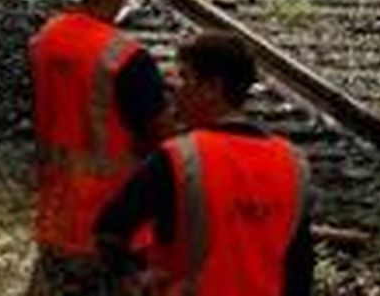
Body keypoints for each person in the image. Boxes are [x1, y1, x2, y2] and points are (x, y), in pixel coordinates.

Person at [96, 31, 314, 295]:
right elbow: (299, 269)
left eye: (185, 78)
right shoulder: (293, 164)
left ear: (213, 88)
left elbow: (109, 231)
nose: (176, 90)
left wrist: (134, 278)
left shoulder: (179, 157)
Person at [27, 0, 173, 295]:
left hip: (55, 225)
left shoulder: (47, 39)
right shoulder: (127, 60)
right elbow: (166, 150)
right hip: (112, 238)